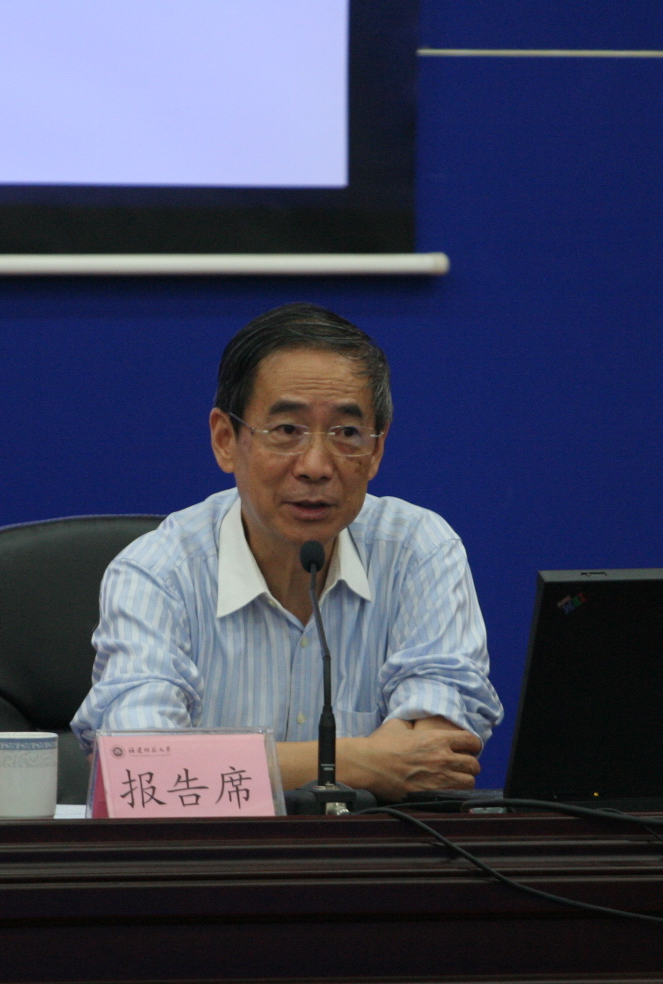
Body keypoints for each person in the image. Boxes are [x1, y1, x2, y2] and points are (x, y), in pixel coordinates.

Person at [71, 303, 501, 801]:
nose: (315, 466)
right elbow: (139, 772)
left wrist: (219, 761)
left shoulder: (417, 551)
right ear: (225, 440)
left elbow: (438, 755)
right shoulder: (156, 574)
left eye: (347, 434)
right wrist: (362, 760)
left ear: (377, 451)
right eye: (287, 431)